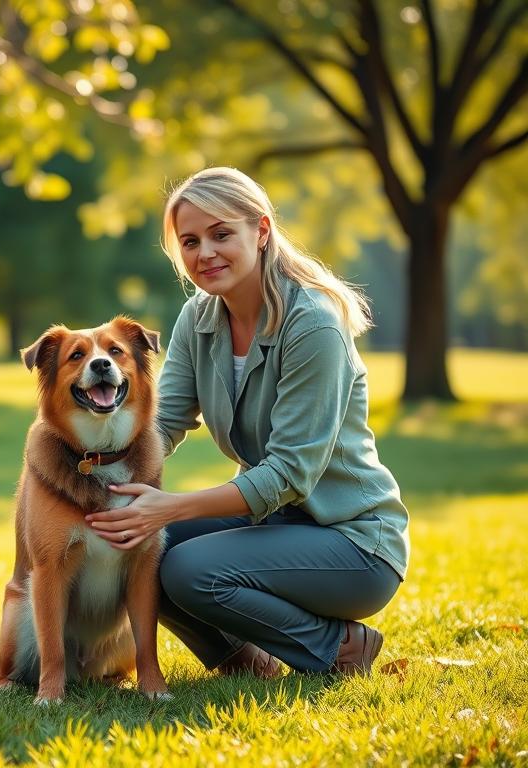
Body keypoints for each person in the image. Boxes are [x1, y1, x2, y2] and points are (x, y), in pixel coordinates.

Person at [83, 166, 409, 677]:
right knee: (140, 550)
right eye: (189, 241)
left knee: (187, 568)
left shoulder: (313, 325)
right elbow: (162, 422)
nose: (204, 253)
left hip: (353, 542)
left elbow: (289, 474)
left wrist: (169, 508)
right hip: (274, 522)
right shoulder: (199, 317)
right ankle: (242, 660)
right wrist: (94, 467)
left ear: (260, 231)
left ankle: (338, 645)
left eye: (220, 234)